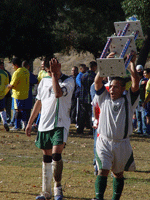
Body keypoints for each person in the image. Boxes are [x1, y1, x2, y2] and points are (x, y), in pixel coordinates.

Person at [92, 52, 139, 200]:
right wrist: (105, 64)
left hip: (122, 143)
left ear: (123, 89)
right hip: (104, 141)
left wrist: (132, 63)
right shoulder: (103, 97)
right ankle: (99, 198)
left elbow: (136, 83)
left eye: (116, 87)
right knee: (103, 170)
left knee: (118, 174)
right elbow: (97, 82)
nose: (111, 89)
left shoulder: (128, 100)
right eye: (111, 86)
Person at [25, 58, 75, 200]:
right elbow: (39, 101)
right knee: (46, 157)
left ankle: (57, 189)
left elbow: (58, 93)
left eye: (50, 69)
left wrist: (54, 75)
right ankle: (45, 192)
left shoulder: (68, 80)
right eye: (47, 70)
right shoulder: (44, 81)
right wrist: (30, 123)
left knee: (56, 156)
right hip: (44, 124)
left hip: (60, 123)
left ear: (58, 66)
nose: (48, 72)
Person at [5, 57, 30, 131]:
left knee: (17, 110)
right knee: (23, 110)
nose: (12, 67)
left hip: (18, 94)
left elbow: (12, 85)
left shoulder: (17, 72)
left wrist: (6, 86)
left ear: (16, 65)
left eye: (12, 66)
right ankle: (25, 124)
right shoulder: (26, 70)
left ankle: (17, 126)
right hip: (25, 94)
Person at [77, 61, 97, 134]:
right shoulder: (94, 76)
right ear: (94, 67)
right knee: (91, 114)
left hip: (83, 97)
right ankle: (92, 130)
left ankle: (80, 129)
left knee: (82, 114)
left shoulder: (83, 75)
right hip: (91, 98)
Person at [22, 60, 38, 124]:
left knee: (20, 109)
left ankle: (19, 124)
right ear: (28, 66)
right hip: (28, 94)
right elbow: (35, 81)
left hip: (20, 94)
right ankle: (26, 123)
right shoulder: (29, 73)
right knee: (27, 110)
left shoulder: (18, 73)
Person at [135, 65, 147, 135]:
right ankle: (139, 129)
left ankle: (144, 130)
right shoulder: (136, 80)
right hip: (137, 100)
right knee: (138, 116)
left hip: (142, 100)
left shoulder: (145, 80)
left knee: (143, 117)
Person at [0, 61, 9, 131]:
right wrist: (4, 93)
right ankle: (5, 122)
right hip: (2, 94)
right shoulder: (5, 74)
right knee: (2, 109)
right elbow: (7, 85)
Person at [142, 68, 150, 135]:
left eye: (145, 73)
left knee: (148, 116)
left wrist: (145, 102)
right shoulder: (148, 80)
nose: (144, 74)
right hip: (147, 101)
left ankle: (148, 131)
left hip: (148, 101)